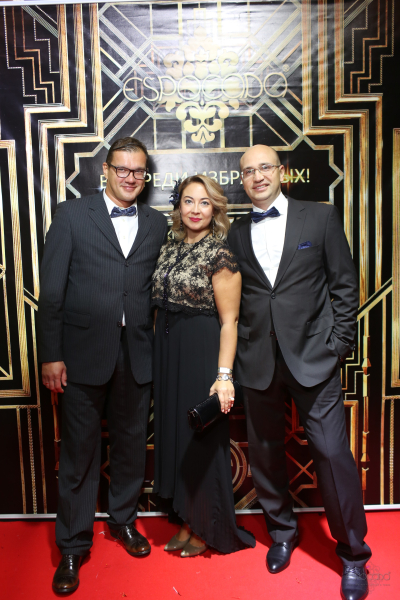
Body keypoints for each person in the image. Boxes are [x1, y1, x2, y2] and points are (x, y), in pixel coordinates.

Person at [227, 145, 371, 600]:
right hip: (258, 361)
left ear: (281, 172)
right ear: (242, 179)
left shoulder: (320, 217)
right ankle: (282, 533)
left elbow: (344, 284)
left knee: (331, 454)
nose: (257, 176)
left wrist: (339, 344)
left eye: (265, 167)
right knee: (266, 453)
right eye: (248, 171)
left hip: (315, 357)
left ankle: (353, 553)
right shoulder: (235, 232)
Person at [37, 137, 167, 593]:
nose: (130, 177)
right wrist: (51, 354)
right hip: (81, 354)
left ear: (145, 176)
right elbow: (52, 291)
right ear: (105, 171)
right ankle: (73, 545)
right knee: (79, 453)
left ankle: (123, 521)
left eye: (138, 171)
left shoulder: (156, 223)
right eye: (122, 169)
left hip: (138, 353)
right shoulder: (72, 215)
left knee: (131, 445)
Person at [151, 175, 255, 557]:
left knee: (201, 438)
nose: (195, 210)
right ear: (178, 206)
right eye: (188, 201)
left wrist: (223, 376)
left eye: (204, 203)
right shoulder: (170, 246)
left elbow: (230, 321)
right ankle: (184, 516)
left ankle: (205, 526)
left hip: (201, 349)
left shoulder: (220, 254)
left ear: (216, 209)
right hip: (168, 351)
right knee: (177, 435)